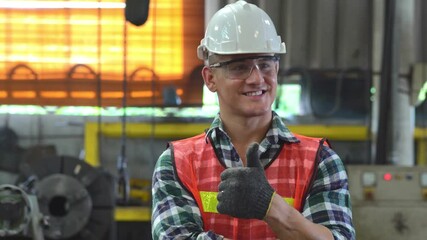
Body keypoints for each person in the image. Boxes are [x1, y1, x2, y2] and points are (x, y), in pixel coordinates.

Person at [151, 1, 355, 239]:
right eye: (239, 67)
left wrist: (270, 206)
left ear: (277, 70)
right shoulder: (178, 163)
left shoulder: (319, 161)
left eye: (265, 65)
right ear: (210, 79)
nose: (257, 79)